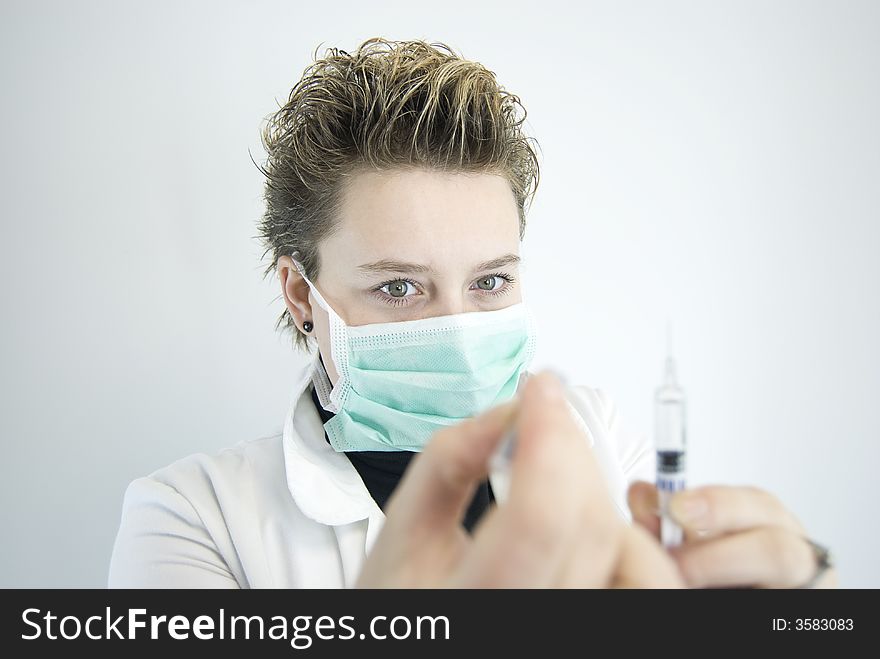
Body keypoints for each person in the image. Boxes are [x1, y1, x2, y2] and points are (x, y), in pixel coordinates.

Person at [108, 37, 836, 589]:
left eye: (489, 282)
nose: (458, 331)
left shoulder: (598, 437)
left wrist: (803, 606)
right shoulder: (194, 518)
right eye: (400, 287)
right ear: (302, 293)